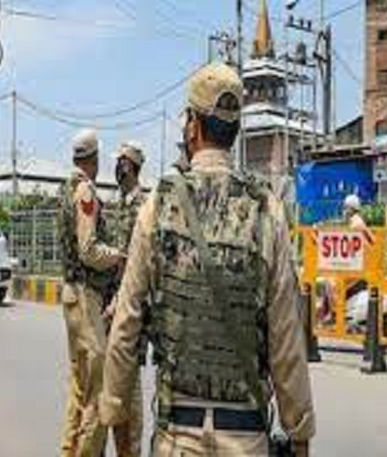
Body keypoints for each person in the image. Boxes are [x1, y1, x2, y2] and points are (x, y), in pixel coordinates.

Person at [99, 62, 315, 456]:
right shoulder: (266, 209)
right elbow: (287, 339)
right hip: (246, 438)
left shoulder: (157, 205)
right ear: (235, 130)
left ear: (192, 127)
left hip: (177, 438)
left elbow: (125, 328)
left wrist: (116, 421)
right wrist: (299, 435)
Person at [58, 128, 125, 457]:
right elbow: (88, 250)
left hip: (73, 294)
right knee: (97, 392)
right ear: (94, 159)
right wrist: (118, 256)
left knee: (79, 387)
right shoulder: (85, 190)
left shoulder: (66, 187)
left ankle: (69, 450)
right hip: (86, 295)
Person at [103, 141, 147, 457]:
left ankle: (130, 449)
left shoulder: (143, 205)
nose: (116, 167)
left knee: (128, 388)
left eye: (120, 162)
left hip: (129, 306)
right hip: (114, 304)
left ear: (128, 166)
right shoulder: (119, 203)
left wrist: (118, 300)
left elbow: (136, 263)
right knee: (114, 385)